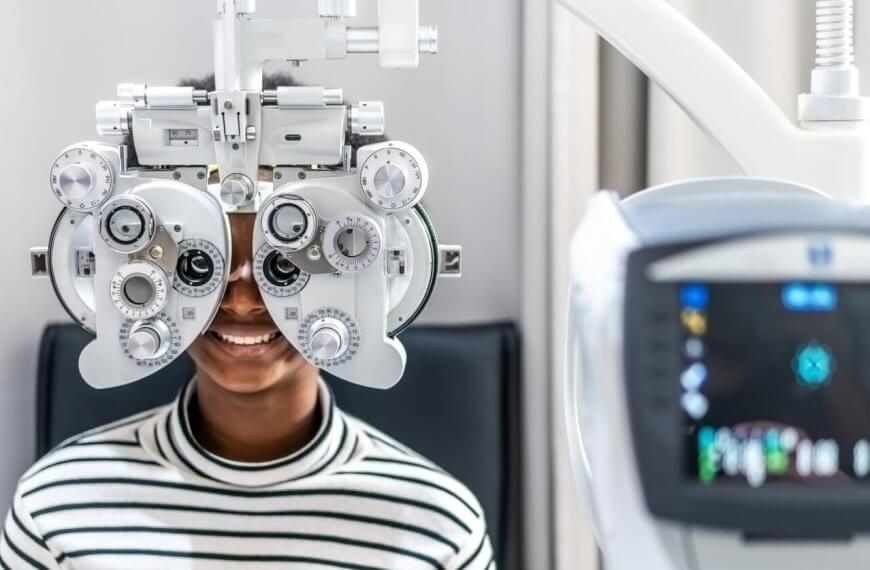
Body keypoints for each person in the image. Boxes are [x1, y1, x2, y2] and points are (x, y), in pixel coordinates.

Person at [0, 75, 495, 569]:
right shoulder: (55, 510)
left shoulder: (436, 527)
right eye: (202, 265)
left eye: (283, 266)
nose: (242, 302)